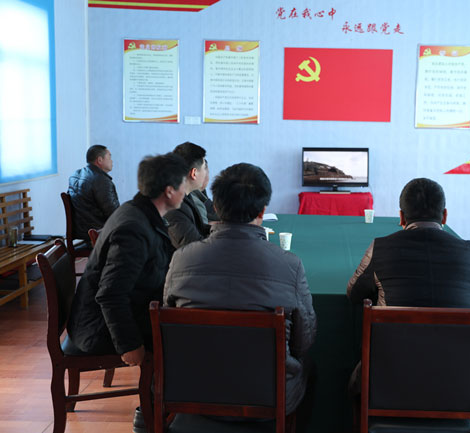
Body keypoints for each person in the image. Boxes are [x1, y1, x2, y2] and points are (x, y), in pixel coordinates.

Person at [164, 162, 316, 418]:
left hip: (193, 388)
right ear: (262, 210)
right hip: (267, 394)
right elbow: (304, 340)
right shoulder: (290, 265)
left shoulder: (181, 259)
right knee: (311, 368)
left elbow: (170, 325)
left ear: (216, 207)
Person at [66, 153, 188, 365]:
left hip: (127, 310)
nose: (185, 191)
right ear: (169, 191)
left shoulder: (139, 212)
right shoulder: (133, 229)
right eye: (183, 185)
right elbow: (110, 294)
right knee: (190, 335)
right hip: (100, 329)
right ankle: (161, 386)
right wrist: (129, 344)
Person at [347, 177, 470, 308]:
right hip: (459, 331)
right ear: (444, 216)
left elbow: (355, 294)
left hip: (394, 330)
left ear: (401, 217)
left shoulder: (380, 248)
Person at [68, 144, 120, 242]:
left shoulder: (74, 175)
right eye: (109, 157)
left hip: (80, 231)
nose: (112, 161)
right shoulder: (101, 181)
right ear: (100, 160)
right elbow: (113, 213)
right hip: (97, 233)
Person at [165, 141, 211, 248]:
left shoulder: (184, 196)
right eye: (204, 168)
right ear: (194, 173)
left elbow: (199, 229)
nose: (206, 173)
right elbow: (193, 246)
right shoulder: (173, 205)